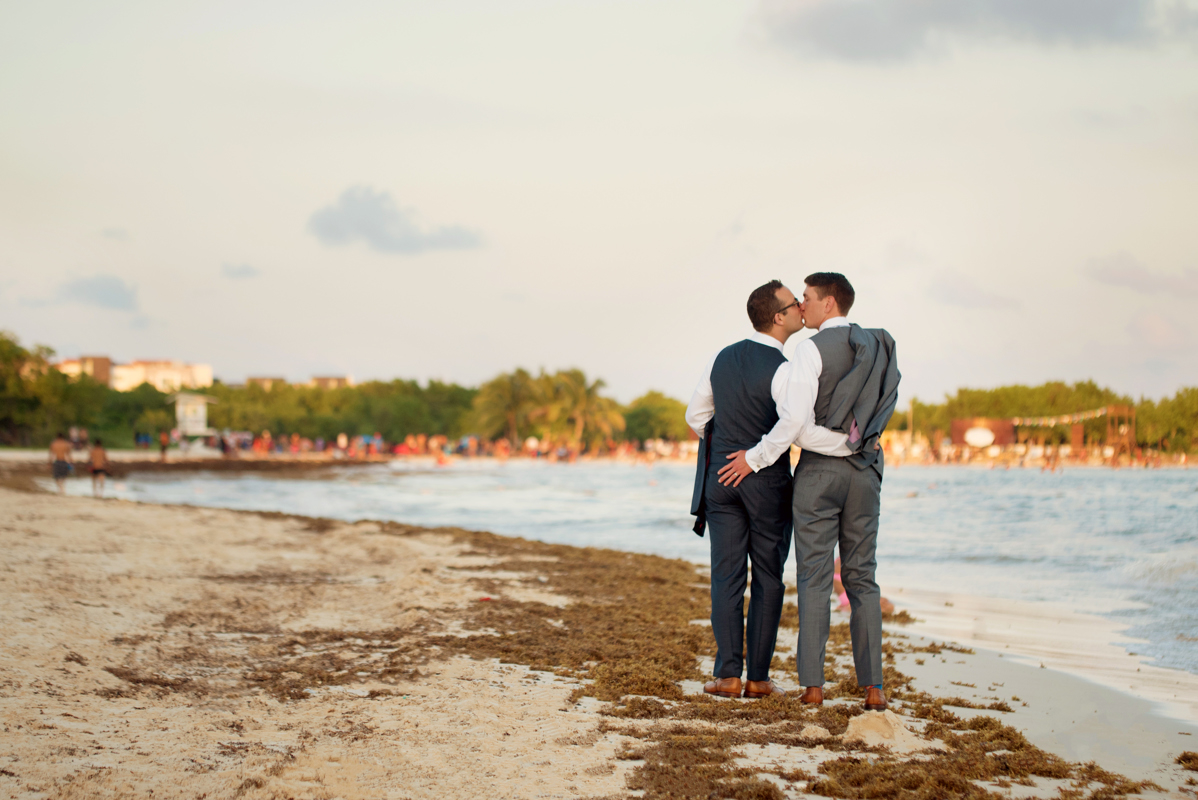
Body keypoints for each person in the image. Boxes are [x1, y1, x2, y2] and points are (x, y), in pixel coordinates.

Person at [721, 272, 899, 712]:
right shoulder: (881, 345)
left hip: (819, 475)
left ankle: (813, 687)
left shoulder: (809, 351)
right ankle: (873, 687)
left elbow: (796, 425)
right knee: (863, 578)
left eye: (807, 299)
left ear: (829, 303)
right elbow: (884, 405)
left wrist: (830, 446)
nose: (803, 306)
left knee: (816, 578)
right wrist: (857, 445)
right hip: (865, 472)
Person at [685, 280, 854, 701]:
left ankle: (727, 675)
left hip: (720, 480)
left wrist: (727, 445)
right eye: (792, 304)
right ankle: (757, 678)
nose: (800, 307)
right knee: (767, 578)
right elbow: (793, 425)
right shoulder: (784, 369)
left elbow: (696, 415)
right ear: (778, 318)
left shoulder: (720, 357)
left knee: (725, 576)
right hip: (765, 483)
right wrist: (842, 443)